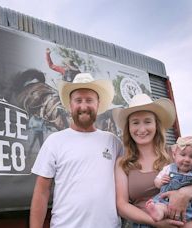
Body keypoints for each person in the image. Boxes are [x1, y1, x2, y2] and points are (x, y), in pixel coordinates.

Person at [30, 73, 123, 228]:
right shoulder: (54, 141)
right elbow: (41, 192)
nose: (83, 106)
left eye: (89, 100)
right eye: (78, 100)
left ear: (98, 104)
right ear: (70, 105)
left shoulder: (113, 142)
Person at [113, 93, 192, 228]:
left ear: (156, 125)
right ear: (129, 128)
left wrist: (184, 194)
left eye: (148, 121)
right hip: (144, 224)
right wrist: (156, 223)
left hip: (181, 223)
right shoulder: (123, 163)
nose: (142, 129)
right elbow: (122, 206)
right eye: (135, 122)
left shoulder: (175, 152)